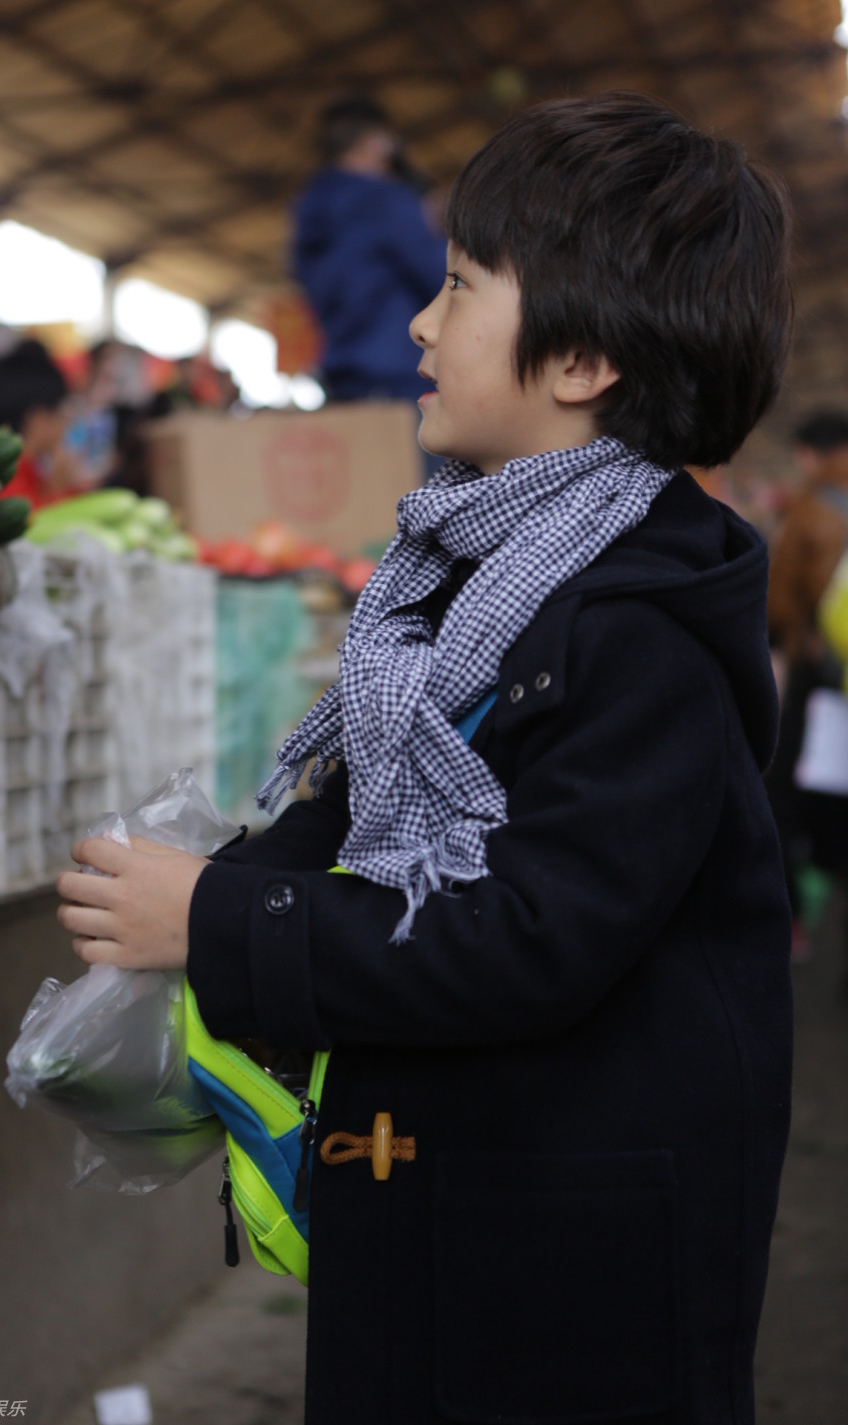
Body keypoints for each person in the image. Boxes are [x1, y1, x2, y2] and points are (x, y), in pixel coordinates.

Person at [57, 93, 794, 1425]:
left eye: (456, 288)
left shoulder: (642, 631)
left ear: (577, 363)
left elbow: (525, 936)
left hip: (580, 1268)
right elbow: (368, 799)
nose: (416, 321)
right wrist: (215, 879)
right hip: (450, 1200)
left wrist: (223, 917)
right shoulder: (478, 580)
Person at [292, 95, 447, 404]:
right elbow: (442, 277)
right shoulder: (387, 199)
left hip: (342, 377)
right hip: (403, 373)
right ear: (377, 142)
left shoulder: (308, 207)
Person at [765, 410, 848, 954]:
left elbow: (780, 598)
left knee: (787, 789)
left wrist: (777, 652)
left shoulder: (814, 508)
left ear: (810, 452)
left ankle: (791, 918)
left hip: (819, 674)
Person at [0, 338, 85, 510]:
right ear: (38, 419)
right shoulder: (10, 485)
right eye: (61, 411)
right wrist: (59, 489)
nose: (66, 422)